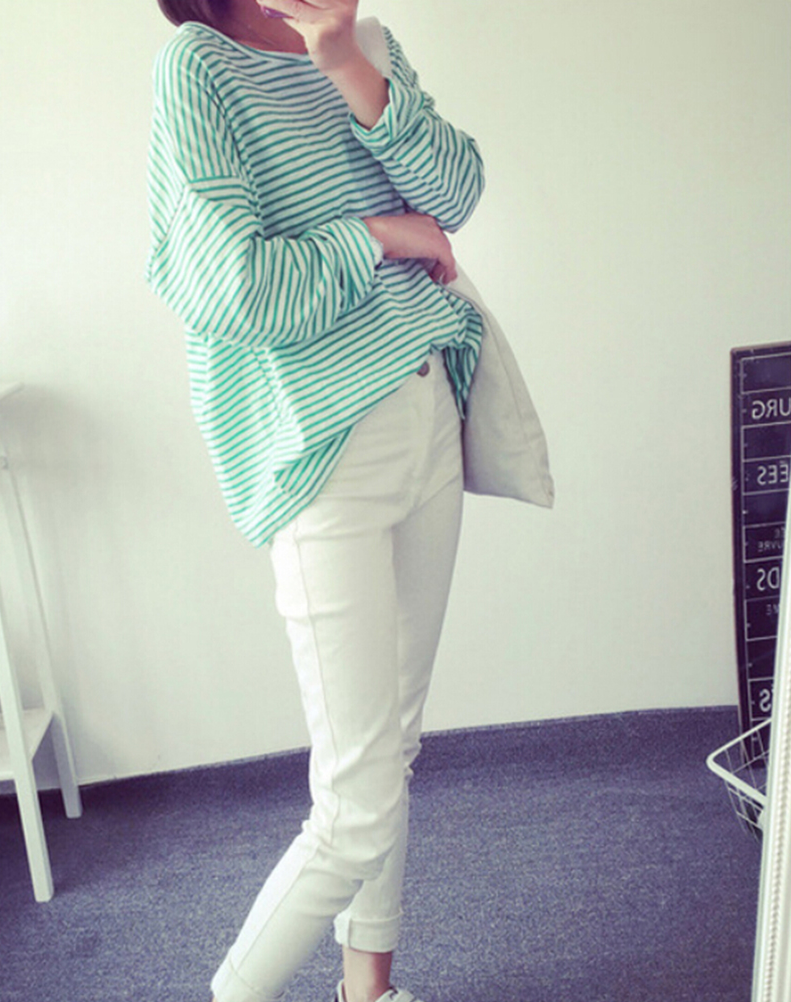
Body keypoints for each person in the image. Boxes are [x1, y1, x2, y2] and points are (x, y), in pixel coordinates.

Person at [146, 2, 485, 1000]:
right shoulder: (197, 67)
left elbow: (458, 193)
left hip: (428, 413)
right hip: (322, 453)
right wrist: (378, 234)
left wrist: (345, 64)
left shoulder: (367, 45)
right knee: (354, 808)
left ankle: (367, 992)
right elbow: (237, 289)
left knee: (393, 752)